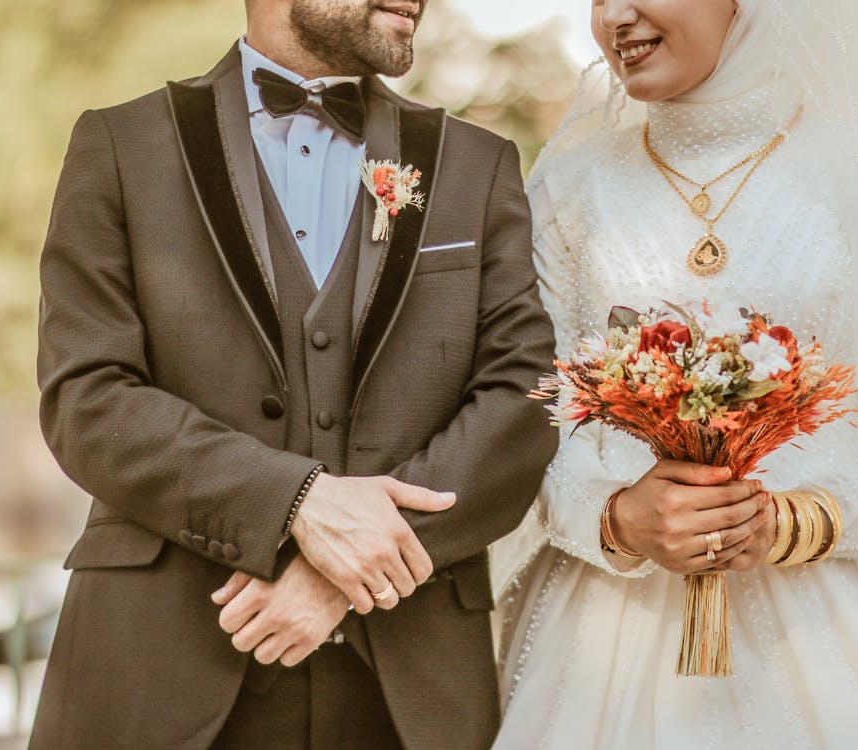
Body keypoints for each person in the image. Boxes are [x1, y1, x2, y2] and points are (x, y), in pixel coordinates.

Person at [494, 0, 858, 747]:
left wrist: (788, 522)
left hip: (851, 613)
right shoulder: (568, 185)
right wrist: (618, 520)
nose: (614, 18)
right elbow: (540, 425)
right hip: (608, 631)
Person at [31, 0, 557, 747]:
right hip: (160, 667)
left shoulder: (477, 161)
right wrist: (296, 503)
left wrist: (357, 565)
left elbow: (527, 394)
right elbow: (86, 398)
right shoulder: (121, 143)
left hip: (411, 686)